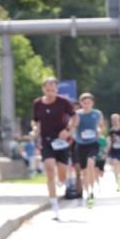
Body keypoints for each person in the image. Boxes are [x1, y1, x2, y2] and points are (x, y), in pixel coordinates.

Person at [31, 77, 77, 219]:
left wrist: (68, 131)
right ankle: (54, 206)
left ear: (57, 89)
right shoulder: (38, 103)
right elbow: (36, 121)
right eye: (47, 88)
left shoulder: (64, 102)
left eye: (53, 89)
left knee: (61, 176)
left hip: (62, 142)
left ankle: (61, 180)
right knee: (50, 170)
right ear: (43, 89)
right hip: (46, 142)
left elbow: (75, 118)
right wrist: (35, 130)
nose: (50, 91)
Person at [74, 93, 104, 208]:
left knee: (91, 163)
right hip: (81, 145)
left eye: (89, 103)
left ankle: (92, 190)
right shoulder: (77, 114)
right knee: (84, 171)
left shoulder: (97, 113)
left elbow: (101, 125)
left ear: (92, 103)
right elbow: (72, 126)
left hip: (93, 144)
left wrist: (99, 130)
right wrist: (74, 124)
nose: (86, 105)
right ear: (81, 103)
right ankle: (88, 192)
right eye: (84, 103)